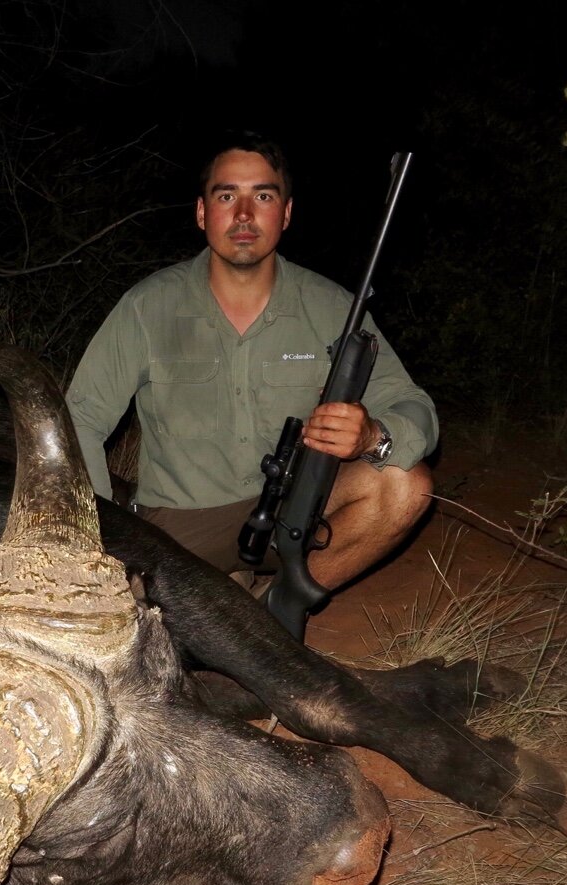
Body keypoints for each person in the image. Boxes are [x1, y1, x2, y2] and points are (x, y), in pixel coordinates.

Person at [64, 131, 435, 591]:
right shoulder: (147, 306)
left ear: (286, 213)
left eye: (262, 195)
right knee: (116, 626)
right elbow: (80, 419)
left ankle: (271, 616)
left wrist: (373, 436)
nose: (243, 214)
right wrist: (103, 541)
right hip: (178, 527)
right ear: (203, 213)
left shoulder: (333, 306)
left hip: (290, 508)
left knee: (406, 486)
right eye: (226, 196)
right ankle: (226, 600)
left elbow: (412, 403)